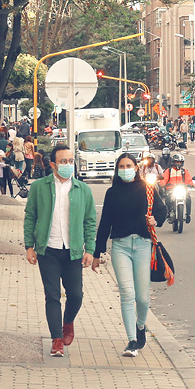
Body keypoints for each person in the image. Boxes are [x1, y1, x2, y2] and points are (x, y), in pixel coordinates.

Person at [24, 143, 97, 358]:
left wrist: (90, 249)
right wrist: (29, 246)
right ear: (53, 165)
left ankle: (68, 322)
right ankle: (56, 340)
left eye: (71, 161)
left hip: (73, 251)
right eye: (63, 161)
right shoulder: (39, 187)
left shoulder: (82, 189)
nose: (68, 165)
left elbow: (90, 221)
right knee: (52, 296)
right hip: (48, 250)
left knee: (76, 295)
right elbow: (30, 217)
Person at [92, 153, 168, 356]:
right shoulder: (112, 193)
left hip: (143, 245)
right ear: (117, 170)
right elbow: (105, 223)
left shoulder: (148, 188)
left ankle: (140, 326)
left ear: (136, 167)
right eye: (121, 166)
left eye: (129, 165)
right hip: (120, 247)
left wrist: (155, 220)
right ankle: (132, 341)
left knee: (142, 298)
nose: (125, 169)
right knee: (127, 293)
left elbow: (162, 211)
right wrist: (97, 252)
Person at [160, 152, 194, 224]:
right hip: (171, 189)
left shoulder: (184, 171)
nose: (178, 164)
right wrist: (162, 184)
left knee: (188, 198)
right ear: (173, 162)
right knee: (168, 199)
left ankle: (188, 214)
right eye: (177, 162)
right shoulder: (168, 171)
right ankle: (168, 212)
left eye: (180, 162)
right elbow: (164, 179)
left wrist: (191, 184)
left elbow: (189, 179)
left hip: (182, 189)